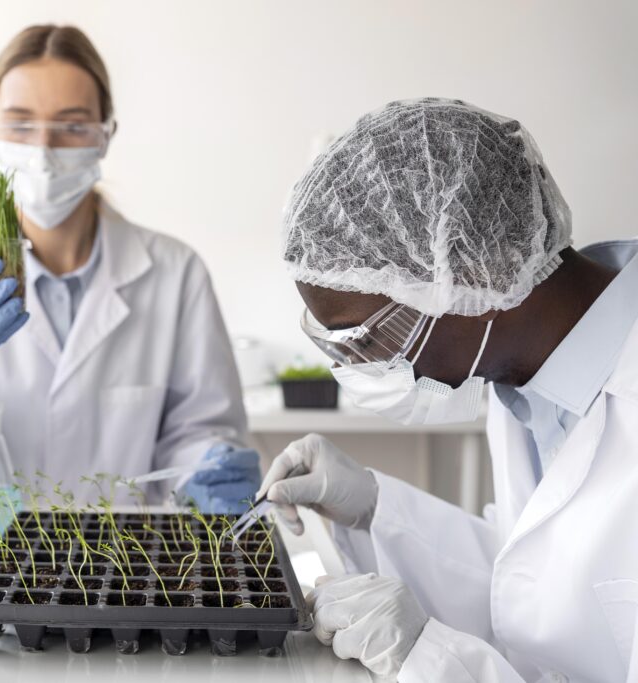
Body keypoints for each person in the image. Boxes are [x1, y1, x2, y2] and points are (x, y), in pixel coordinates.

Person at [264, 98, 638, 681]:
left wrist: (432, 660)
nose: (357, 365)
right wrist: (374, 508)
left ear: (472, 274)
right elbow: (529, 593)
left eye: (361, 339)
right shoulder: (521, 373)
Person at [0, 25, 258, 512]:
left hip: (122, 568)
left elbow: (200, 429)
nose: (44, 151)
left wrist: (207, 468)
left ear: (105, 135)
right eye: (20, 125)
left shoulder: (175, 273)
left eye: (72, 126)